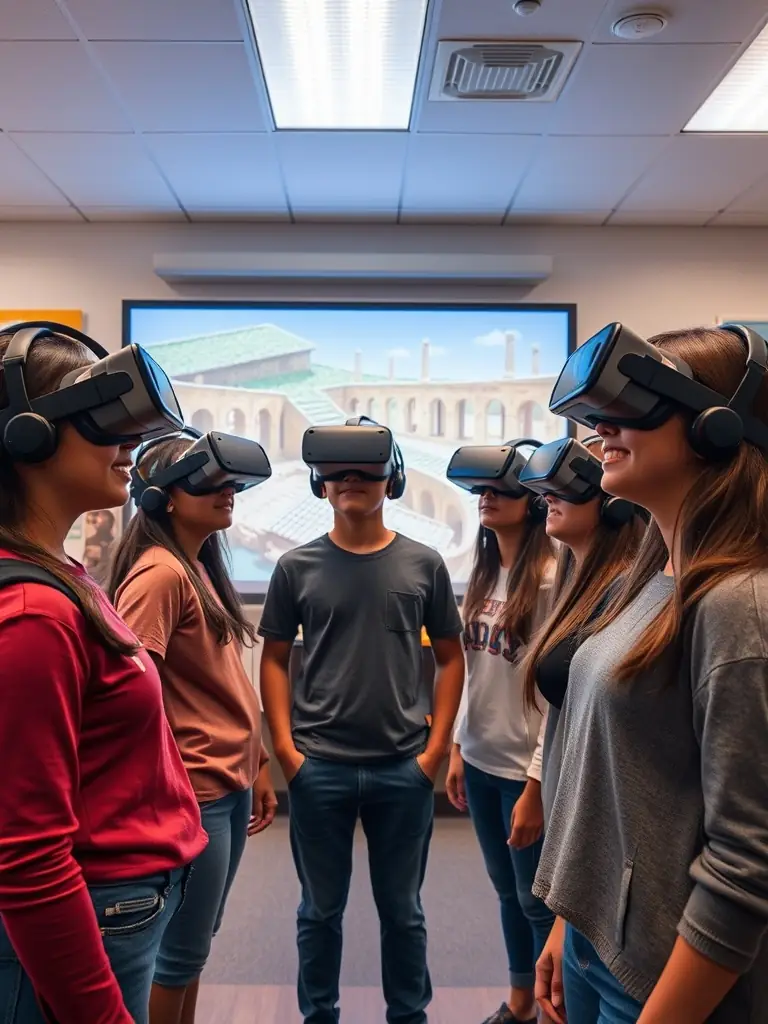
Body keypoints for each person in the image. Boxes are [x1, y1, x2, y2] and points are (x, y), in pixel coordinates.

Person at [534, 323, 768, 1023]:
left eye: (632, 408)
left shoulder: (738, 607)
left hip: (665, 981)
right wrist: (565, 918)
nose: (600, 428)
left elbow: (746, 865)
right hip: (594, 940)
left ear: (719, 429)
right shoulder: (647, 580)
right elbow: (613, 784)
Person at [0, 322, 206, 1024]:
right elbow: (27, 862)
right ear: (28, 436)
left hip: (122, 898)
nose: (129, 448)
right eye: (106, 426)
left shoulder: (58, 576)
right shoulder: (33, 611)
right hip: (97, 908)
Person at [259, 418, 465, 1024]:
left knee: (404, 911)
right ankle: (318, 1015)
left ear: (390, 479)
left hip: (402, 769)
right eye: (339, 471)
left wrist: (435, 749)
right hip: (317, 768)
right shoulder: (294, 568)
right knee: (319, 911)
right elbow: (273, 659)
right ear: (321, 483)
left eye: (366, 469)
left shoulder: (424, 565)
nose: (352, 480)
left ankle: (409, 1015)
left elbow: (451, 659)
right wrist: (284, 750)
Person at [109, 430, 278, 1024]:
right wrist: (171, 782)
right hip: (195, 793)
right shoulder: (159, 575)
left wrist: (254, 765)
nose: (226, 491)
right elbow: (128, 695)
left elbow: (218, 688)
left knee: (193, 949)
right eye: (207, 481)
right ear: (163, 498)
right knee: (178, 956)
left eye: (230, 481)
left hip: (222, 785)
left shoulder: (195, 567)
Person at [516, 434, 648, 1022]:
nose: (548, 499)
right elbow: (573, 736)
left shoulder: (632, 598)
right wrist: (565, 918)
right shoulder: (584, 584)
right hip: (584, 891)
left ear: (614, 503)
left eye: (566, 488)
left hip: (626, 908)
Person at [444, 439, 556, 1024]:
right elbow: (475, 672)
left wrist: (537, 786)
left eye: (500, 488)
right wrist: (460, 746)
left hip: (524, 773)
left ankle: (548, 1007)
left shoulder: (550, 576)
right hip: (484, 761)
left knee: (536, 903)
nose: (485, 496)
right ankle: (519, 1005)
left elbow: (557, 696)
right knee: (507, 895)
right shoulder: (484, 571)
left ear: (534, 500)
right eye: (481, 489)